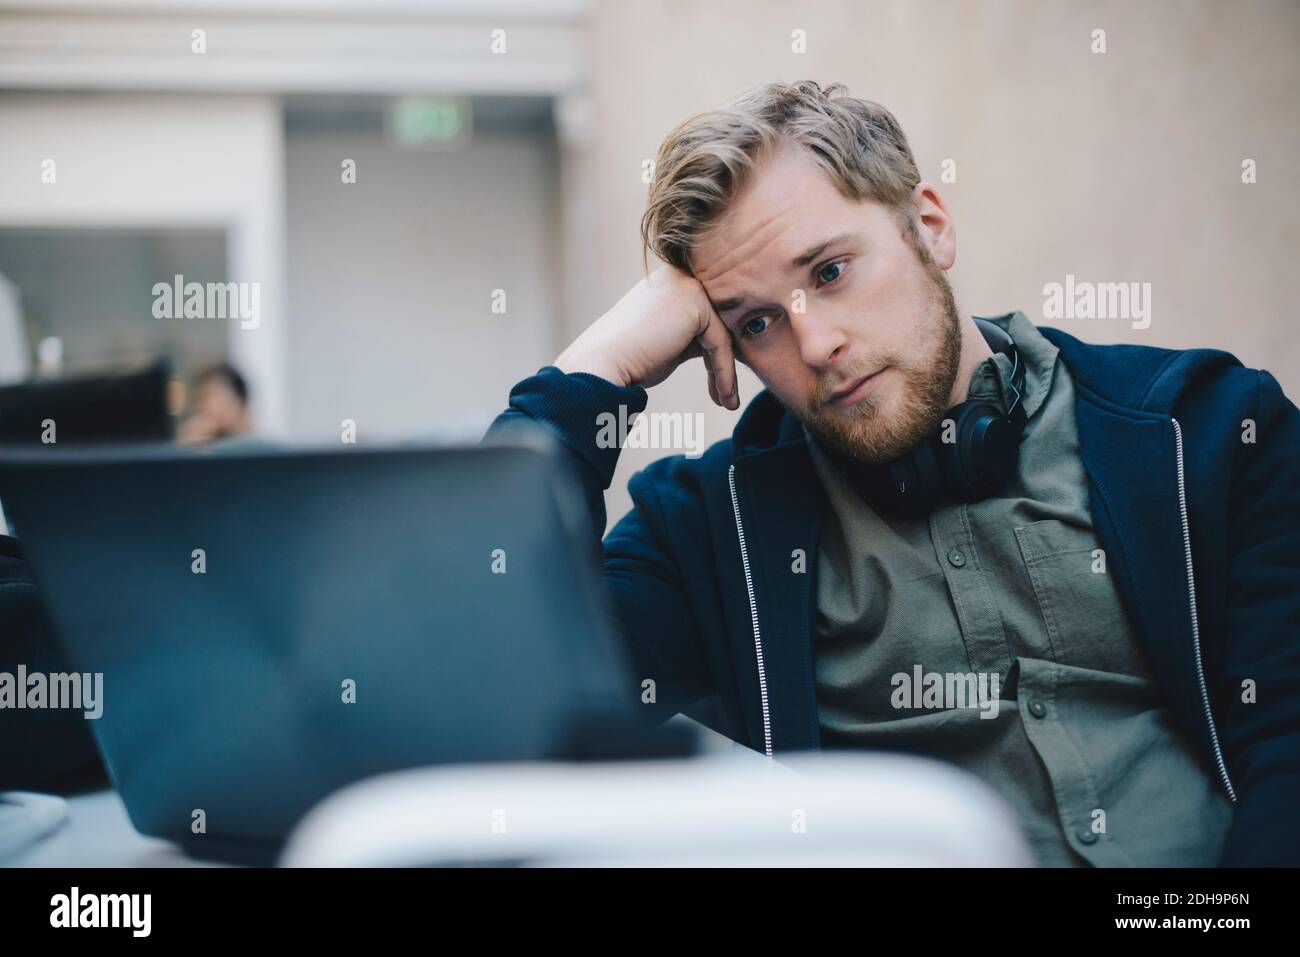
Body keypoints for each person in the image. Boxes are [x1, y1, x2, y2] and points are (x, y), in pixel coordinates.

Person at [487, 81, 1300, 867]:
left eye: (830, 272)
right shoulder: (703, 533)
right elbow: (492, 691)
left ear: (930, 225)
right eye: (758, 322)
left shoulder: (1207, 429)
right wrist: (602, 367)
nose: (814, 346)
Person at [177, 362, 253, 444]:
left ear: (240, 402)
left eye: (209, 396)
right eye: (199, 399)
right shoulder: (202, 441)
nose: (202, 407)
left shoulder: (261, 448)